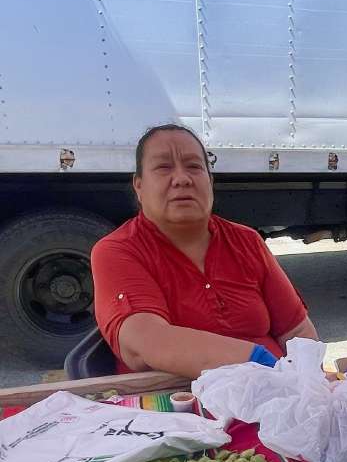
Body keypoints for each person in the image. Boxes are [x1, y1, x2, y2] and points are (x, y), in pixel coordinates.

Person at [91, 124, 319, 378]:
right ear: (139, 186)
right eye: (164, 167)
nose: (182, 178)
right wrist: (263, 365)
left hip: (278, 399)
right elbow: (147, 343)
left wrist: (309, 383)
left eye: (194, 166)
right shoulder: (117, 251)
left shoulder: (247, 241)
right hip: (182, 407)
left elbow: (297, 333)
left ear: (210, 182)